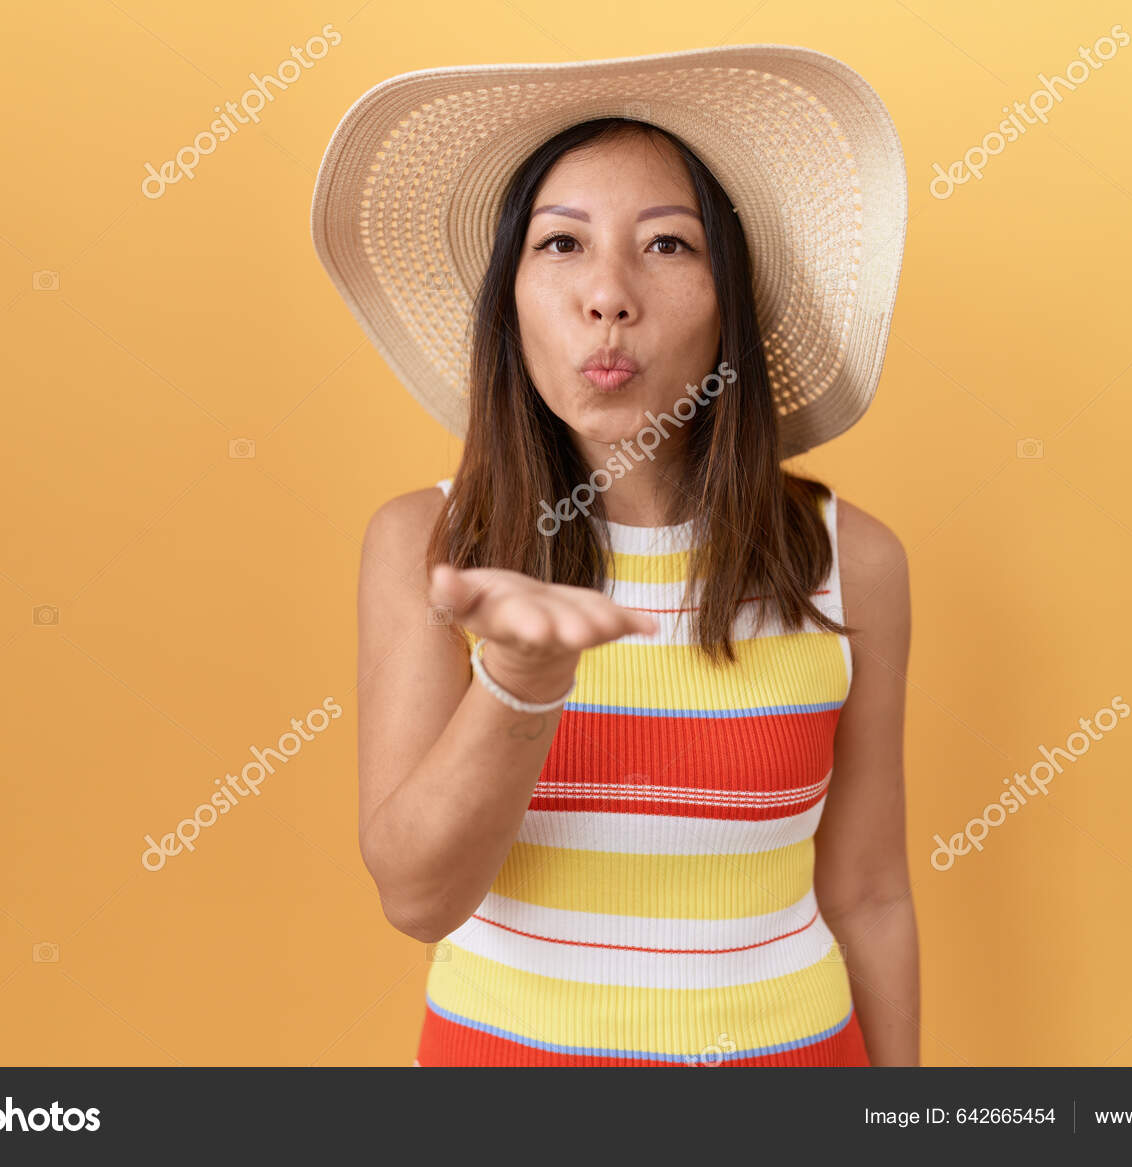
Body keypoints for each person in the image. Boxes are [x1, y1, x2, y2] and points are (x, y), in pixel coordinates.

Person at [312, 45, 915, 1066]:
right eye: (560, 246)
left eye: (669, 246)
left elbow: (868, 891)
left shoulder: (852, 558)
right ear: (507, 300)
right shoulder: (425, 546)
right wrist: (518, 683)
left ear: (732, 301)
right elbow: (416, 898)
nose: (609, 296)